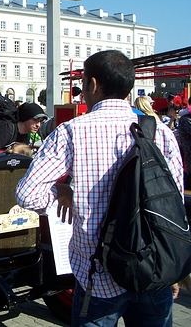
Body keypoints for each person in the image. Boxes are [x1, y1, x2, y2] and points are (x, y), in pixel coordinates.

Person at [15, 50, 183, 326]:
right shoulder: (160, 131)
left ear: (92, 85)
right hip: (153, 268)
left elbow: (27, 194)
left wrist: (61, 192)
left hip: (99, 274)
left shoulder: (72, 131)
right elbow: (174, 202)